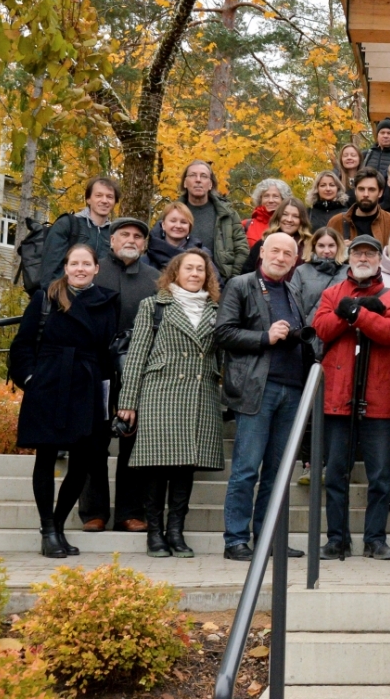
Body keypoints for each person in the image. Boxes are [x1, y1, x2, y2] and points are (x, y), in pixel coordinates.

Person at [10, 244, 119, 558]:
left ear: (97, 268)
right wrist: (31, 380)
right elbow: (23, 344)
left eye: (87, 264)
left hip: (88, 385)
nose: (81, 269)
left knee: (83, 463)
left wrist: (108, 395)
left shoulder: (107, 301)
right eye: (75, 263)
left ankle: (58, 525)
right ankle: (47, 529)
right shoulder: (45, 298)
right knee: (45, 458)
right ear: (66, 267)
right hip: (50, 384)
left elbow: (108, 351)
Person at [114, 249, 223, 558]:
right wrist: (128, 401)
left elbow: (222, 355)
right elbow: (136, 355)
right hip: (161, 393)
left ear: (207, 276)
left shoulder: (216, 310)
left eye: (200, 269)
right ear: (175, 273)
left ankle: (176, 531)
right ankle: (155, 532)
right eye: (188, 268)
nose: (195, 274)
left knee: (185, 467)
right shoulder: (154, 306)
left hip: (200, 395)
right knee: (156, 466)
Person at [214, 233, 314, 561]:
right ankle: (236, 540)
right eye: (276, 250)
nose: (282, 257)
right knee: (246, 469)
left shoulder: (293, 290)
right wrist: (264, 337)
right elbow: (223, 332)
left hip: (292, 390)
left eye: (289, 253)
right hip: (258, 389)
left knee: (277, 472)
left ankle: (269, 538)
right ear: (262, 253)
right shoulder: (241, 285)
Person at [313, 235, 390, 560]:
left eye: (370, 253)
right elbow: (323, 328)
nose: (364, 258)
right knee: (336, 474)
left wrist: (357, 314)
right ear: (350, 257)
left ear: (379, 259)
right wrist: (351, 313)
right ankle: (337, 539)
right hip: (337, 397)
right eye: (358, 253)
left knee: (381, 477)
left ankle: (375, 539)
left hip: (380, 399)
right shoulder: (331, 293)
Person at [79, 217, 159, 534]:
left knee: (133, 439)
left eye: (138, 236)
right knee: (93, 437)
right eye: (124, 234)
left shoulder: (155, 278)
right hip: (95, 366)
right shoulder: (92, 270)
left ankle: (130, 511)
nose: (131, 240)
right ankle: (94, 511)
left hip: (137, 368)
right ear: (111, 240)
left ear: (145, 244)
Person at [40, 176, 117, 283]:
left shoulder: (115, 234)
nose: (104, 200)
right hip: (65, 296)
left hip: (99, 298)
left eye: (109, 197)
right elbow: (49, 270)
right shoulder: (68, 224)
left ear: (114, 202)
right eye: (98, 195)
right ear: (88, 199)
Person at [180, 160, 249, 279]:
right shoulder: (172, 213)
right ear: (185, 183)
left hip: (219, 284)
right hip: (180, 284)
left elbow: (242, 249)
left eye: (203, 176)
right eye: (192, 175)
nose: (198, 180)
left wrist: (231, 280)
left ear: (210, 184)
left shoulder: (227, 214)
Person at [288, 228, 348, 359]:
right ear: (314, 247)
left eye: (331, 245)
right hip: (307, 336)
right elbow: (292, 304)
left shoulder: (348, 272)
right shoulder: (302, 271)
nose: (326, 251)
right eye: (321, 245)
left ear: (338, 246)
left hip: (336, 337)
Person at [327, 168, 390, 245]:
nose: (366, 194)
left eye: (371, 189)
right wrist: (340, 250)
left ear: (380, 192)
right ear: (355, 191)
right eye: (361, 189)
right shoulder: (336, 222)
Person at [147, 202, 213, 279]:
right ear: (163, 225)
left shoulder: (203, 257)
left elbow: (215, 285)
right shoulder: (148, 256)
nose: (178, 226)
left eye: (183, 222)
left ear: (189, 227)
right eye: (173, 221)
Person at [244, 198, 310, 273]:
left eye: (295, 216)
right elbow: (246, 273)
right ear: (278, 217)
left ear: (302, 220)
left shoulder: (309, 248)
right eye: (285, 214)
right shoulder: (263, 243)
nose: (289, 219)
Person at [243, 178, 290, 248]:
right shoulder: (245, 225)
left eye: (275, 196)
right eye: (266, 196)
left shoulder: (290, 224)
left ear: (283, 200)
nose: (270, 200)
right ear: (260, 199)